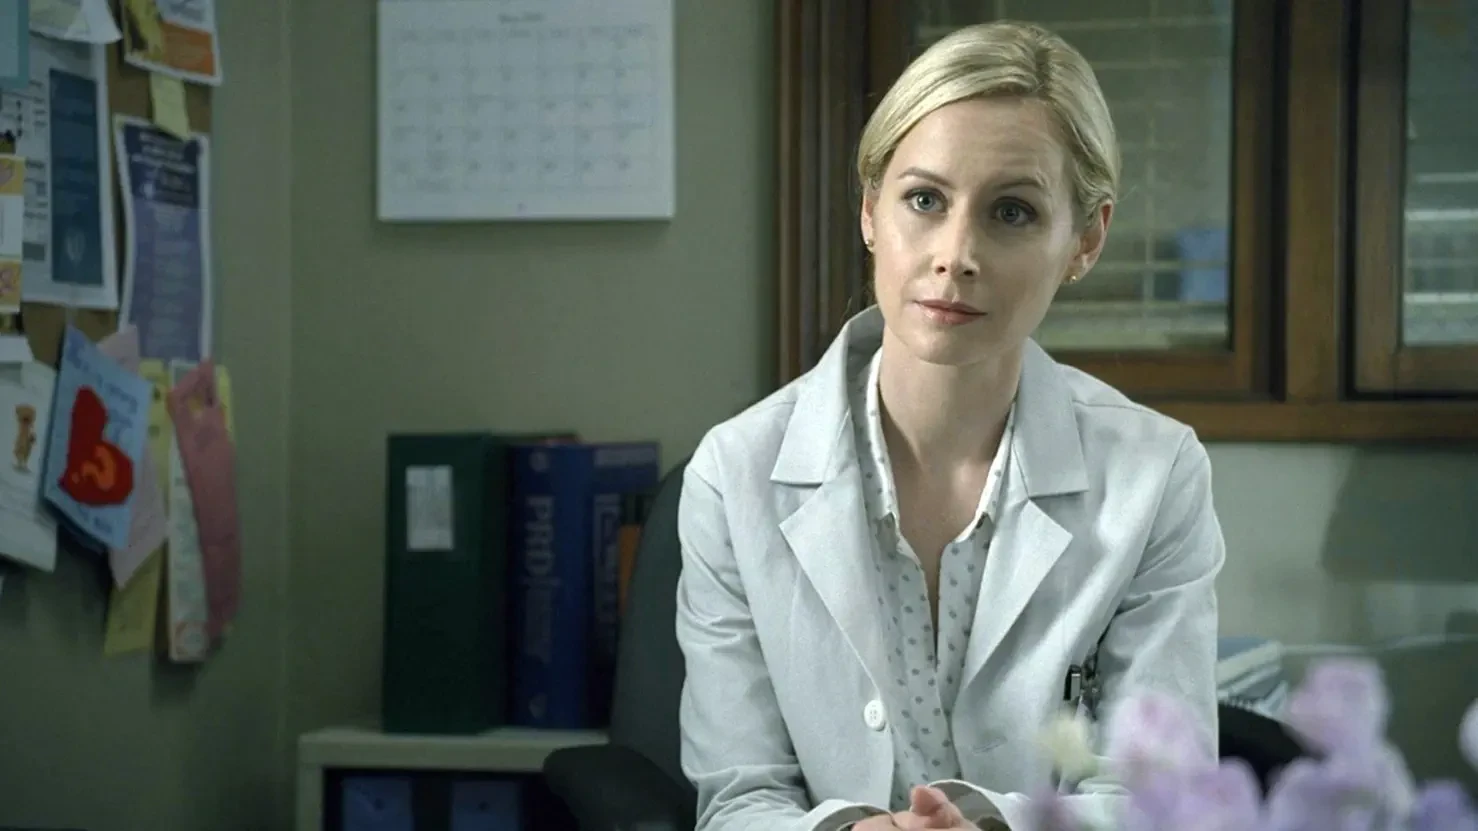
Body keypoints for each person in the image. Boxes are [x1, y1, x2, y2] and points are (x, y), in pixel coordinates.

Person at [675, 20, 1224, 831]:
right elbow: (738, 802)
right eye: (924, 200)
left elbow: (1160, 801)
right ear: (871, 210)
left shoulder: (1155, 475)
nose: (955, 253)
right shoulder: (735, 473)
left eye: (1012, 212)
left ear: (1087, 239)